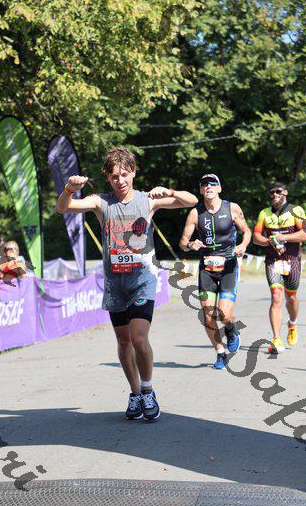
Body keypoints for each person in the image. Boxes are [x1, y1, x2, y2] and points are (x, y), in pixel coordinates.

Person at [56, 146, 198, 421]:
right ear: (107, 178)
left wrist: (169, 191)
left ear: (133, 173)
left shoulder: (147, 200)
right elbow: (63, 208)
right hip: (115, 283)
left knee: (138, 337)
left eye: (124, 174)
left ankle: (148, 389)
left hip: (142, 279)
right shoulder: (101, 202)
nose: (119, 180)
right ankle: (135, 393)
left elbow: (191, 200)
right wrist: (69, 189)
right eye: (114, 176)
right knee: (123, 341)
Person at [179, 173, 252, 370]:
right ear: (201, 190)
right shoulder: (195, 213)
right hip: (207, 269)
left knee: (225, 315)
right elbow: (183, 242)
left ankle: (231, 329)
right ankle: (220, 352)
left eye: (213, 183)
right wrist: (190, 244)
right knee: (208, 314)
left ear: (219, 188)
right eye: (205, 184)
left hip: (228, 266)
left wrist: (243, 246)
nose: (209, 186)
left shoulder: (232, 208)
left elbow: (247, 231)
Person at [253, 181, 305, 353]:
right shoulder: (264, 213)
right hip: (272, 260)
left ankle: (292, 324)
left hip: (292, 260)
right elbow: (256, 237)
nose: (274, 194)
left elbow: (304, 233)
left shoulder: (296, 210)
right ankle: (276, 339)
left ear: (285, 193)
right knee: (276, 297)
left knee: (291, 298)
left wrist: (284, 238)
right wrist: (268, 241)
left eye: (278, 191)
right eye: (271, 192)